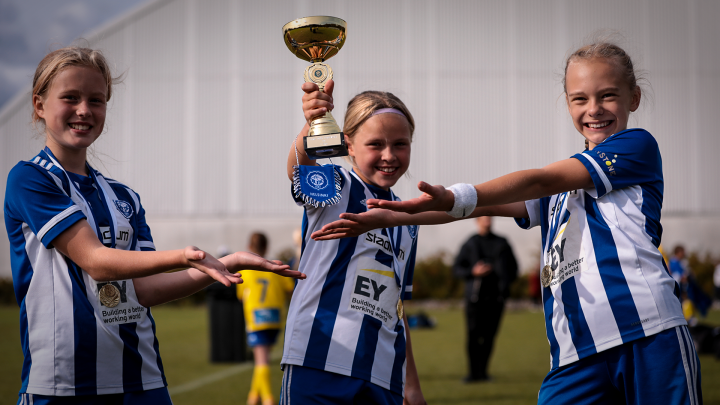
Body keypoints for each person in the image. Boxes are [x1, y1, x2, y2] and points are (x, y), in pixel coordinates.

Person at [312, 42, 702, 404]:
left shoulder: (637, 146)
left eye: (608, 95)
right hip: (575, 352)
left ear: (633, 97)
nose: (594, 109)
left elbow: (539, 180)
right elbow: (477, 208)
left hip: (647, 332)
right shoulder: (561, 190)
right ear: (567, 104)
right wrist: (397, 213)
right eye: (580, 98)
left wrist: (456, 194)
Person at [4, 46, 304, 405]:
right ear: (39, 105)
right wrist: (184, 255)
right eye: (70, 97)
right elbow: (97, 261)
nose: (84, 110)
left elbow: (144, 291)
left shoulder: (124, 197)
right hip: (64, 384)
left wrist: (228, 263)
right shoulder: (30, 178)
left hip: (142, 382)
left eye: (96, 100)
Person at [279, 81, 426, 405]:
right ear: (349, 145)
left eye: (400, 144)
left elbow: (397, 308)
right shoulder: (337, 186)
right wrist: (313, 121)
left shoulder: (409, 218)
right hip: (318, 361)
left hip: (384, 376)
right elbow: (298, 167)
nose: (389, 155)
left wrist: (412, 386)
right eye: (376, 144)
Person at [452, 216, 517, 383]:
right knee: (473, 336)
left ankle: (483, 373)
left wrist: (503, 281)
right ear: (477, 221)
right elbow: (457, 268)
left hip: (496, 298)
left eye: (490, 217)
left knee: (489, 336)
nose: (487, 220)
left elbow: (514, 268)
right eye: (484, 218)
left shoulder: (502, 243)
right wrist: (474, 272)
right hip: (475, 299)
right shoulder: (471, 243)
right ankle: (473, 374)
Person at [237, 232, 295, 405]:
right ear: (267, 247)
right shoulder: (275, 266)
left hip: (257, 318)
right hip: (275, 317)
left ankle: (268, 399)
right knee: (263, 360)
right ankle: (253, 396)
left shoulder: (245, 270)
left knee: (261, 361)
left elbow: (241, 295)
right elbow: (289, 288)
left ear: (249, 247)